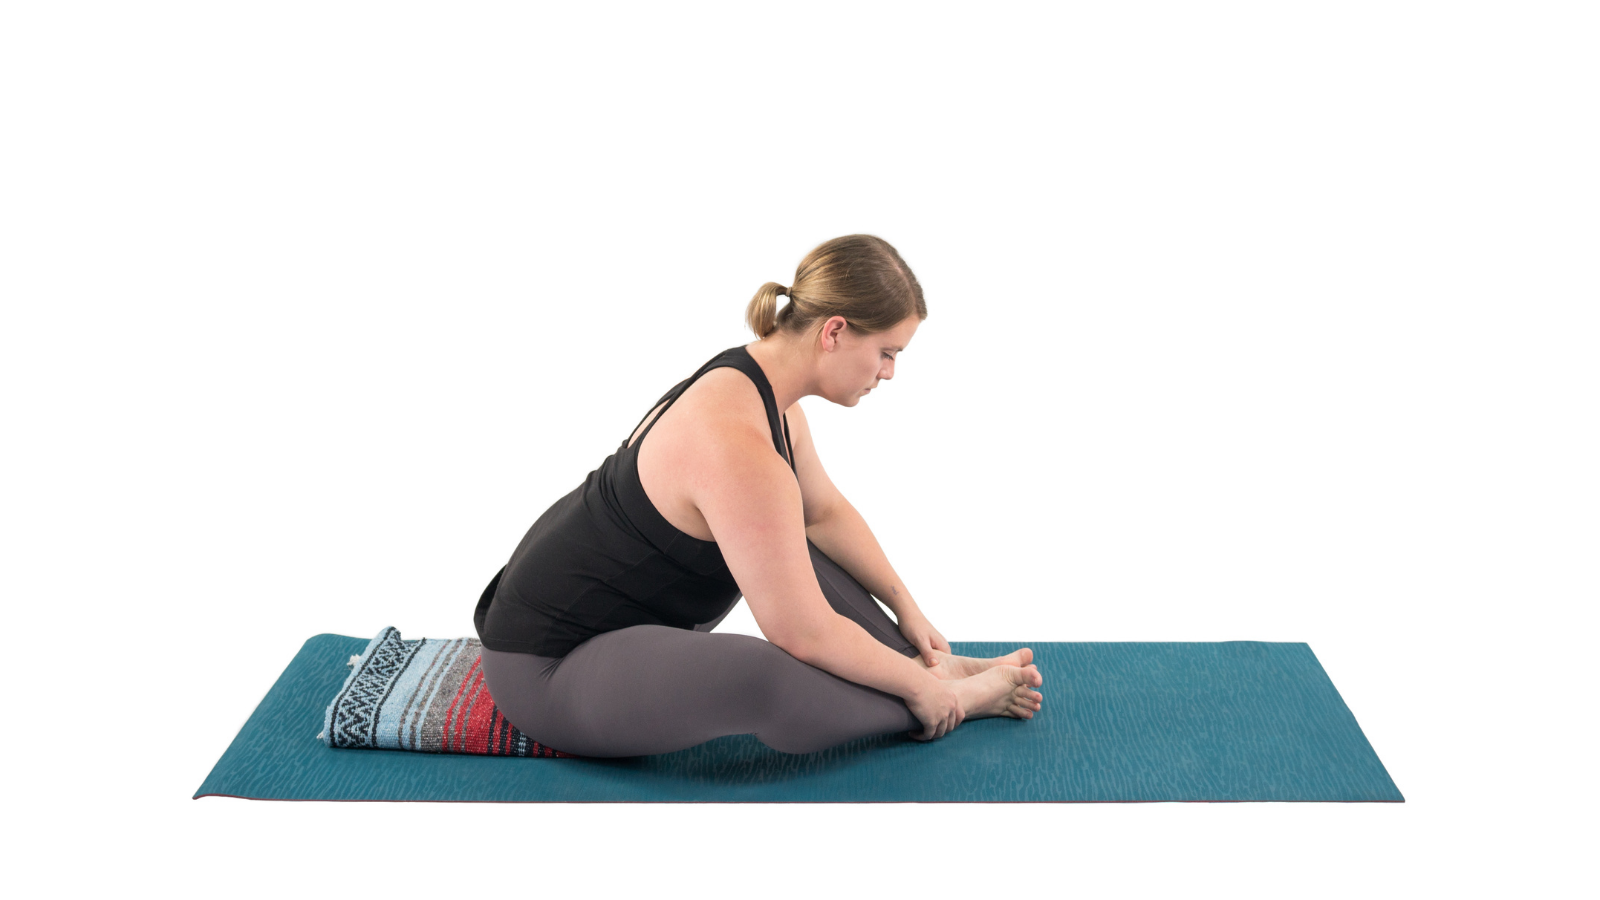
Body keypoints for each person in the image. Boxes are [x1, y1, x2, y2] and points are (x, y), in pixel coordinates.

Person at [473, 234, 1043, 757]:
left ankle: (928, 668)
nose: (889, 373)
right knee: (767, 674)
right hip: (549, 669)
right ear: (835, 332)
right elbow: (803, 633)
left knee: (796, 541)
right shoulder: (737, 443)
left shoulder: (764, 391)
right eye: (887, 353)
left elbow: (823, 514)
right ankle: (945, 695)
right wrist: (917, 691)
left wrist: (908, 610)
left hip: (628, 632)